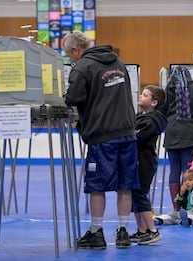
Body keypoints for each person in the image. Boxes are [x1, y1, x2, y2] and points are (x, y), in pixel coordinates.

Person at [63, 30, 139, 249]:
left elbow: (74, 98)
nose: (71, 59)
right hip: (127, 132)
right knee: (125, 185)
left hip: (102, 134)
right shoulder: (118, 60)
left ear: (76, 49)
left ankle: (96, 232)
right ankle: (123, 232)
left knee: (97, 186)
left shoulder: (83, 66)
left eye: (70, 55)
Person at [161, 66, 193, 212]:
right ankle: (189, 206)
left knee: (174, 170)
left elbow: (161, 112)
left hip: (171, 135)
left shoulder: (166, 91)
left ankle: (177, 207)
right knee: (188, 170)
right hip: (191, 135)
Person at [129, 85, 167, 245]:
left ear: (154, 102)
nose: (140, 96)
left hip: (143, 161)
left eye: (145, 95)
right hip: (136, 160)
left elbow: (135, 138)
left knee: (140, 193)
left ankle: (152, 230)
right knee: (134, 195)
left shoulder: (151, 122)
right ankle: (142, 230)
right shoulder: (140, 117)